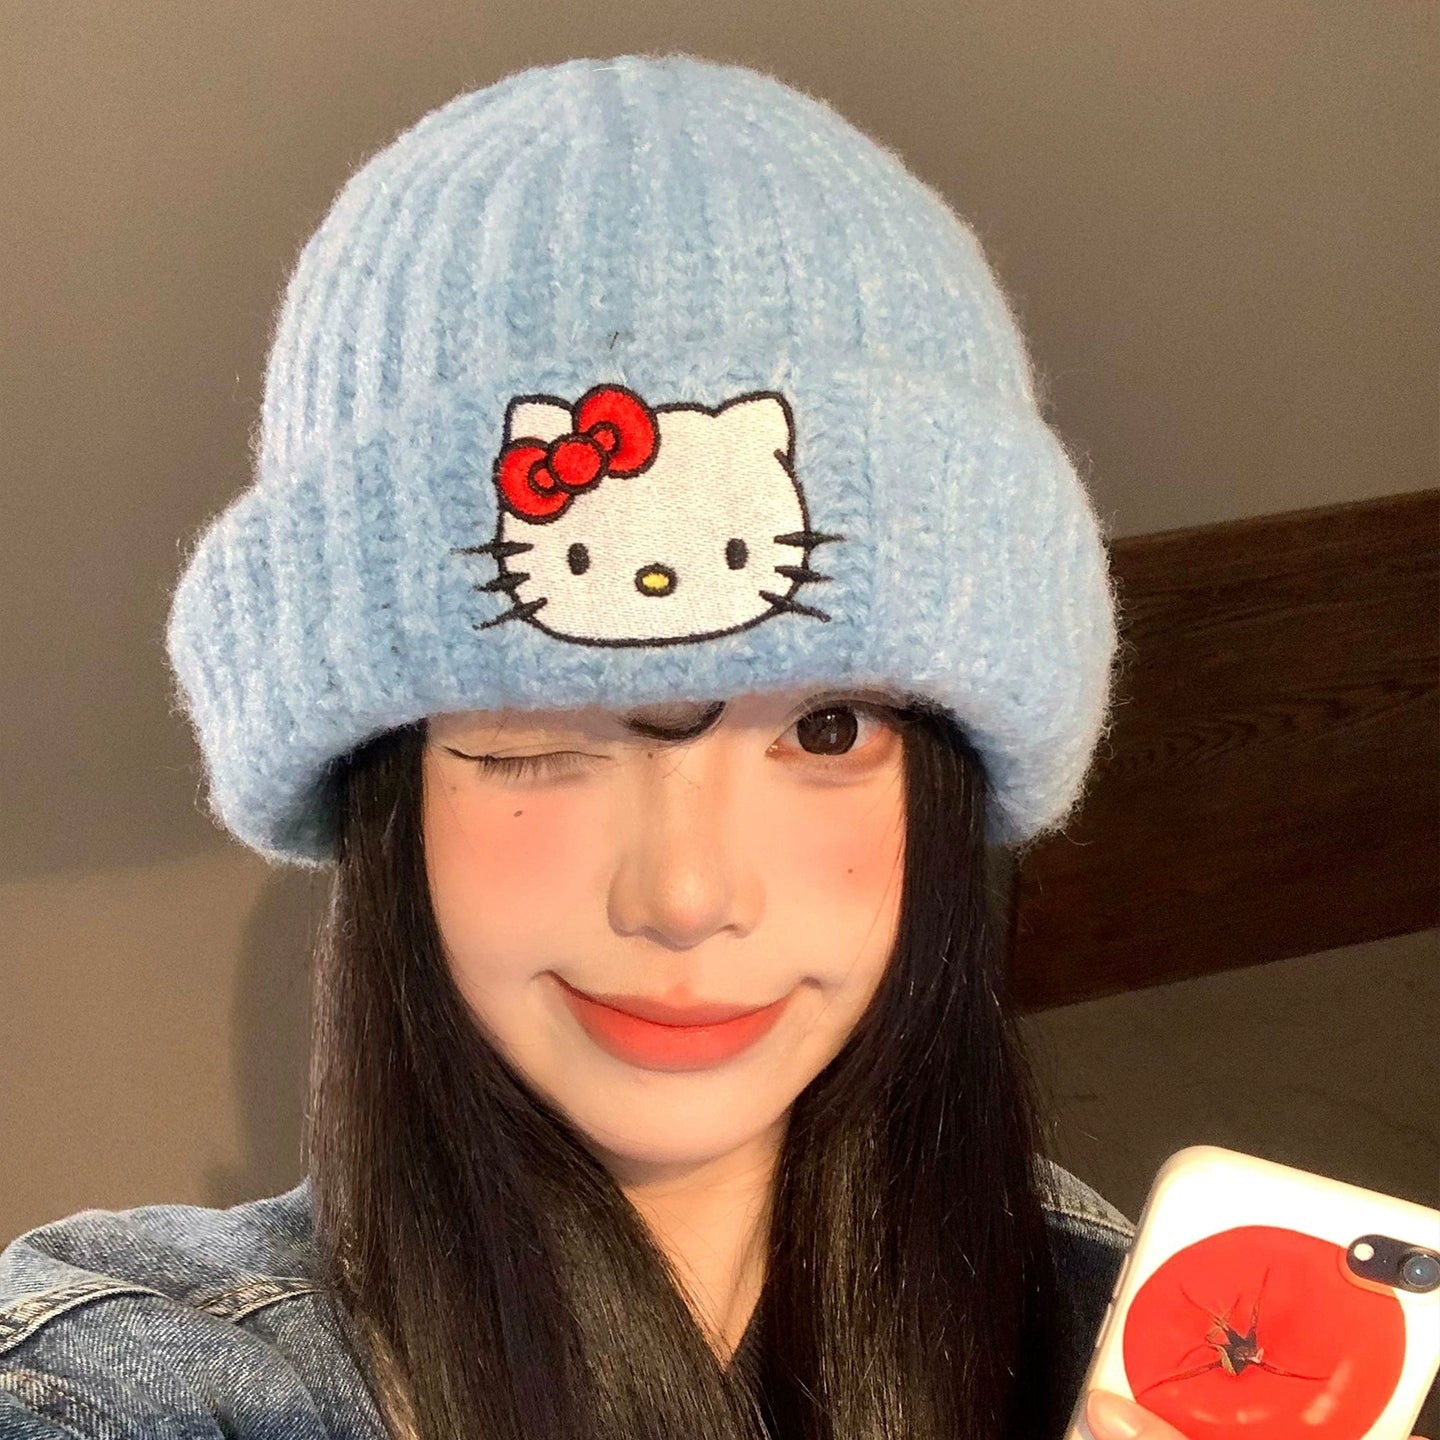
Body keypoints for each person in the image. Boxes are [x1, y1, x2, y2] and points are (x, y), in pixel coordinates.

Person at [1, 52, 1213, 1440]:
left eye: (825, 728)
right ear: (386, 791)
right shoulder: (126, 1377)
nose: (686, 896)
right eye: (536, 737)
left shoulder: (1128, 1320)